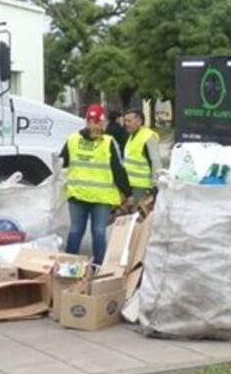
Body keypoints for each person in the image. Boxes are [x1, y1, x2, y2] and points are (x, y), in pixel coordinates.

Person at [60, 104, 131, 265]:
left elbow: (62, 163)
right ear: (101, 122)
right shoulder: (108, 142)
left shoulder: (73, 139)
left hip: (77, 194)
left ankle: (67, 266)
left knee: (76, 230)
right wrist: (128, 192)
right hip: (101, 197)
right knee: (98, 231)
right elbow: (118, 170)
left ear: (86, 120)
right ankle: (98, 267)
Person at [123, 108, 162, 200]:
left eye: (129, 121)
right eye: (125, 121)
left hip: (143, 187)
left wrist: (155, 186)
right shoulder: (132, 136)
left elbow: (156, 163)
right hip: (131, 184)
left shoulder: (148, 137)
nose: (126, 124)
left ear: (139, 121)